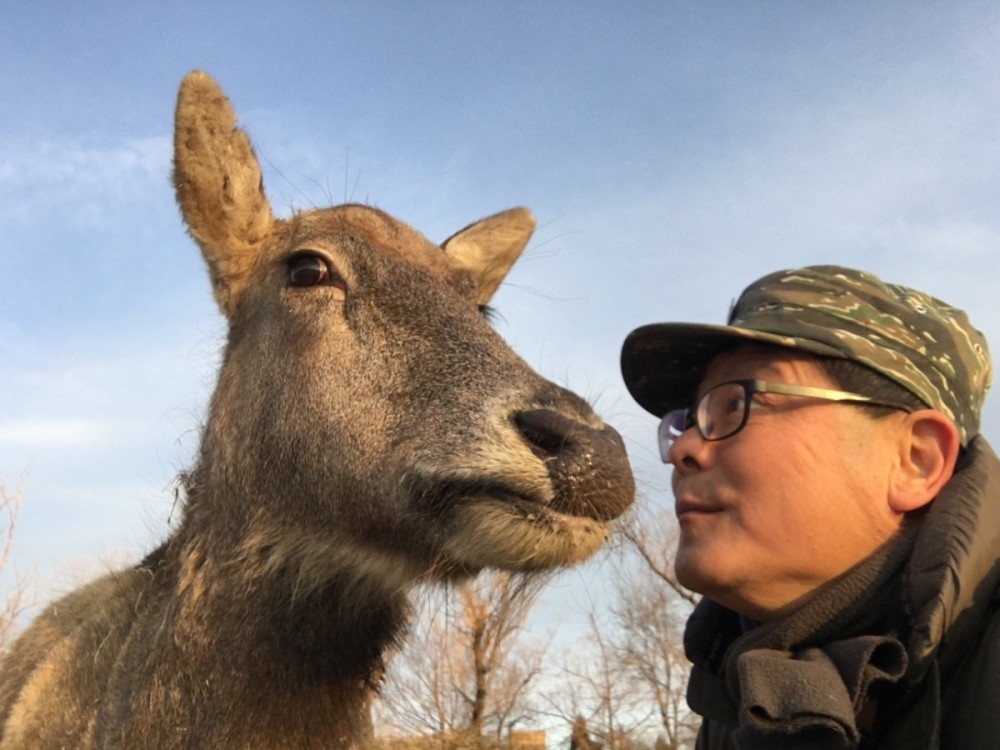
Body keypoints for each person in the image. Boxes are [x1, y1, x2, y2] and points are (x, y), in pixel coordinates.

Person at [619, 265, 997, 750]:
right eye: (688, 420)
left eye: (734, 406)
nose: (682, 449)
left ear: (915, 462)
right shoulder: (738, 697)